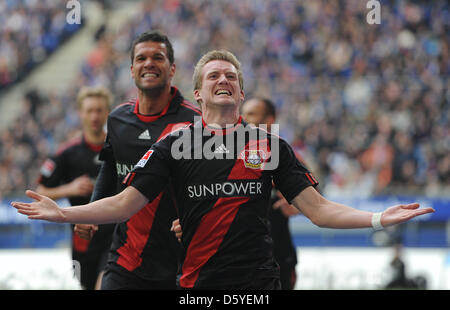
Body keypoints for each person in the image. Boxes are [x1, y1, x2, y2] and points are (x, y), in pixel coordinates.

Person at [13, 49, 434, 290]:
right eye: (214, 74)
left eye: (231, 76)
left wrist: (380, 218)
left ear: (241, 90)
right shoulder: (175, 144)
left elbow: (320, 211)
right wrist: (65, 212)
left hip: (258, 286)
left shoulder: (268, 145)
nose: (224, 79)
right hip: (198, 286)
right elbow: (124, 204)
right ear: (198, 92)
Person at [73, 31, 201, 290]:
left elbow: (212, 182)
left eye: (158, 57)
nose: (149, 63)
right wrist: (91, 211)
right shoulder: (119, 119)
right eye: (141, 58)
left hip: (181, 262)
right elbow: (110, 170)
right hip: (126, 259)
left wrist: (195, 221)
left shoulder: (196, 122)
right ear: (132, 70)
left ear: (172, 68)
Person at [35, 86, 113, 290]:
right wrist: (70, 188)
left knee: (106, 284)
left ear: (107, 113)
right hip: (82, 241)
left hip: (116, 236)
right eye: (89, 110)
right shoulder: (67, 153)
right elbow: (40, 190)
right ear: (80, 113)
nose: (95, 116)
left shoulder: (119, 148)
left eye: (99, 110)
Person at [241, 97, 301, 290]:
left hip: (279, 252)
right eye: (243, 113)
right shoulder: (232, 152)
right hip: (243, 255)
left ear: (269, 120)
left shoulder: (283, 153)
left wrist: (297, 204)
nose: (244, 118)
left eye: (251, 114)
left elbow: (314, 190)